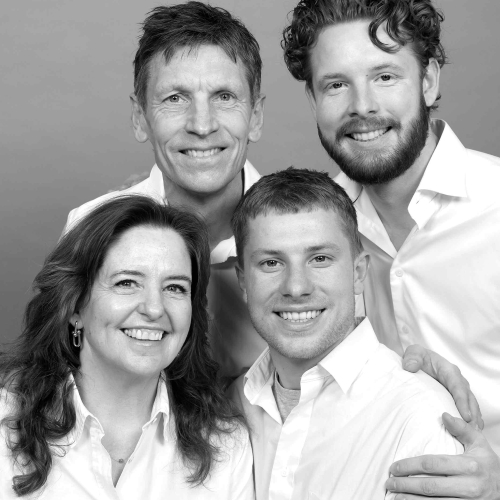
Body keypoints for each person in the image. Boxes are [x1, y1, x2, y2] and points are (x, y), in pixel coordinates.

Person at [282, 0, 500, 497]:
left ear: (429, 81)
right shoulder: (313, 231)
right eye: (336, 85)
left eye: (384, 76)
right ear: (313, 99)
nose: (362, 106)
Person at [229, 167, 462, 499]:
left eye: (320, 258)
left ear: (358, 273)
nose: (296, 287)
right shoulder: (230, 407)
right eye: (271, 263)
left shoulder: (418, 418)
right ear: (243, 281)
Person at [0, 195, 254, 499]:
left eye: (175, 287)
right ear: (74, 306)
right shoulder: (4, 425)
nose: (154, 308)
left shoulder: (226, 448)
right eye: (127, 283)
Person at [65, 1, 267, 379]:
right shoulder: (90, 227)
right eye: (175, 98)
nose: (202, 126)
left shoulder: (311, 232)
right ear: (140, 118)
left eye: (224, 96)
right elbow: (67, 375)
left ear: (255, 116)